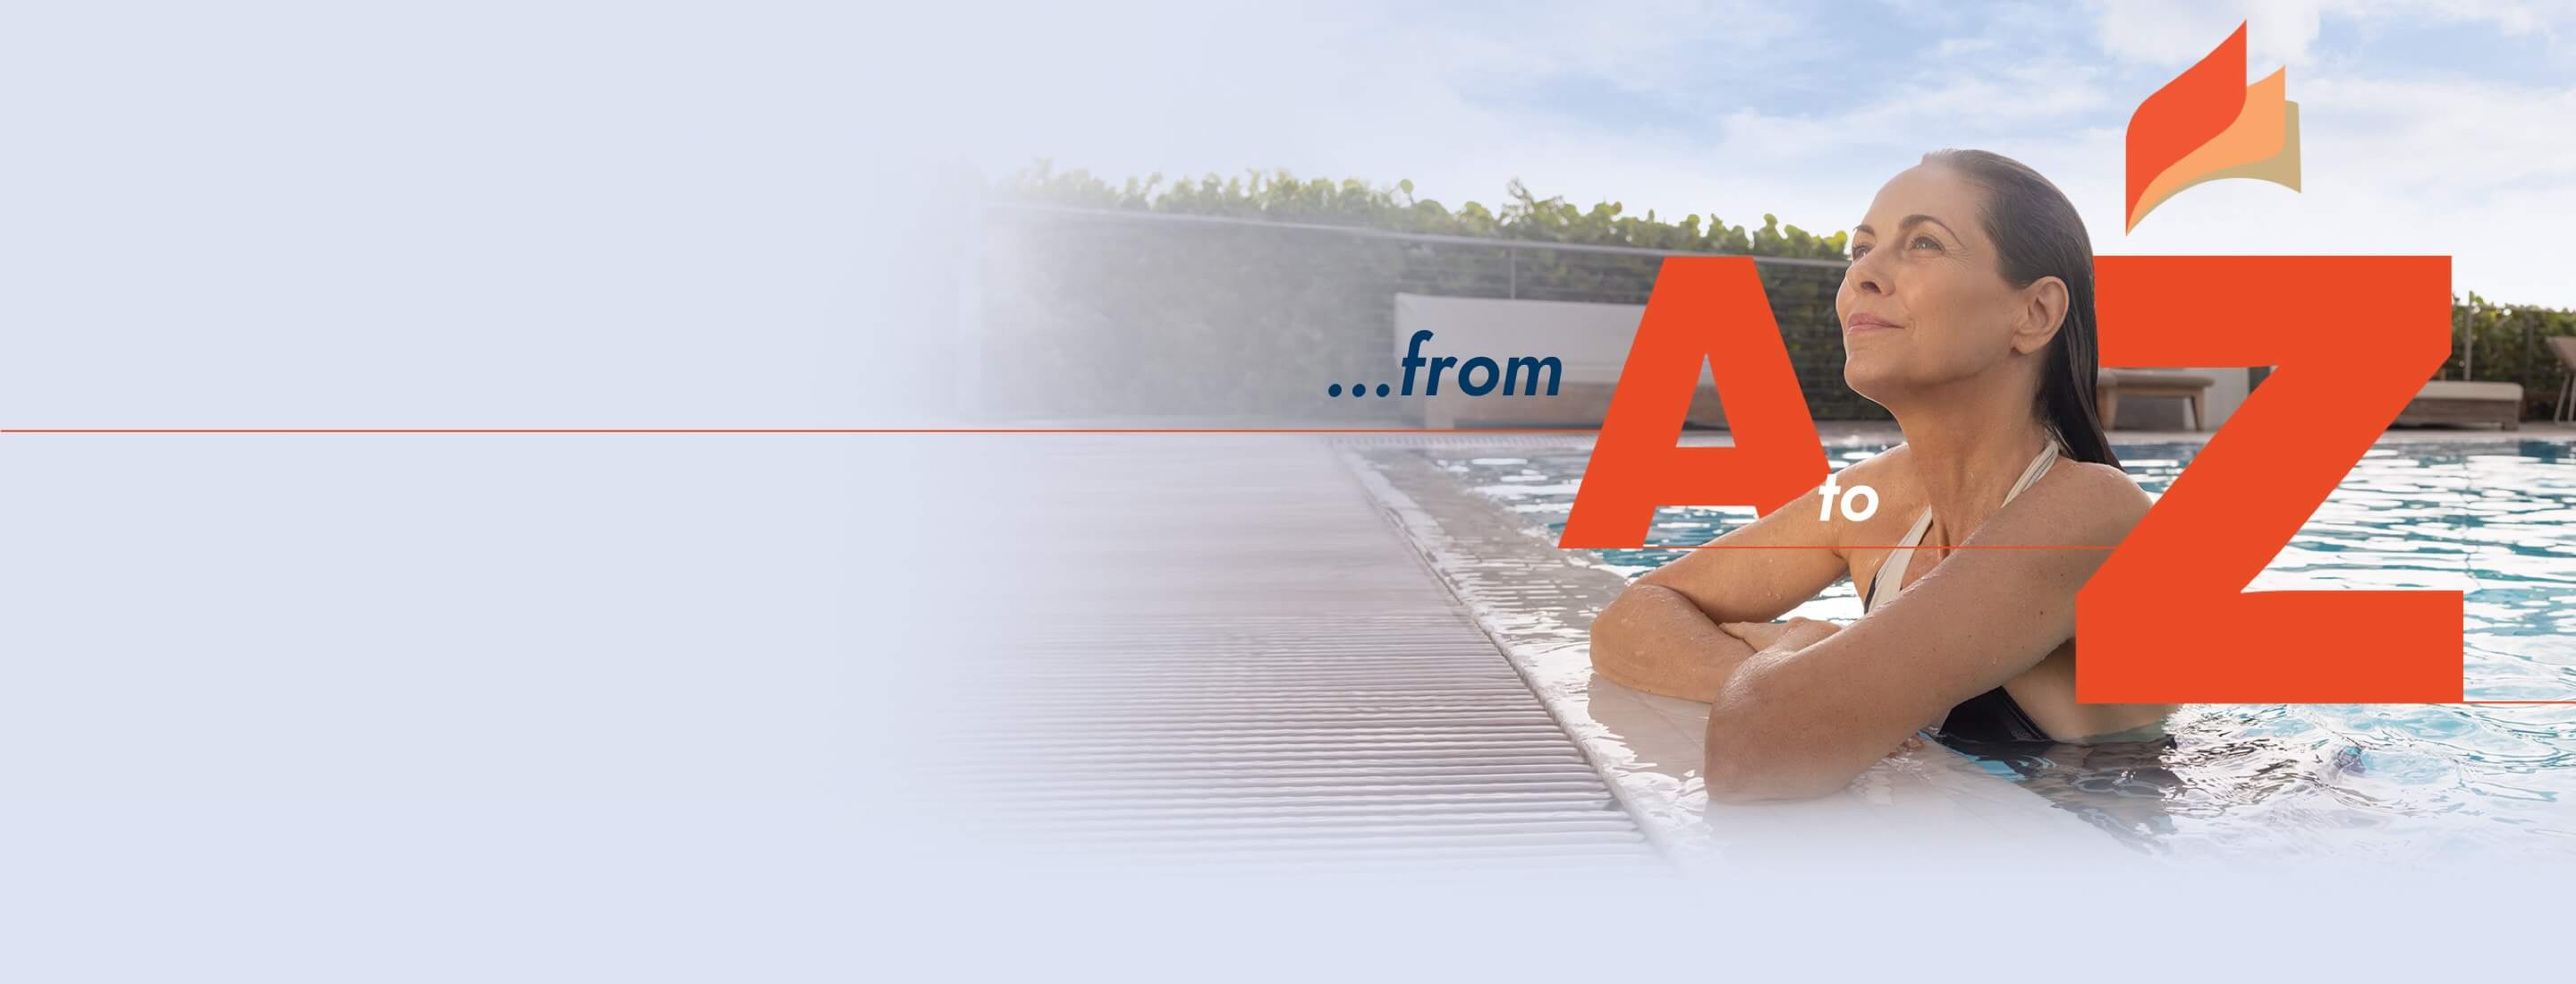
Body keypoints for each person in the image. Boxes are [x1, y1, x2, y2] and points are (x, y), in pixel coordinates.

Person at [1586, 148, 2176, 803]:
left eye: (1923, 242)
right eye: (1860, 248)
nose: (1865, 272)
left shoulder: (2090, 512)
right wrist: (1774, 670)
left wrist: (1803, 657)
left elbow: (1759, 748)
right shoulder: (1874, 498)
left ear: (2033, 314)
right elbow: (1629, 618)